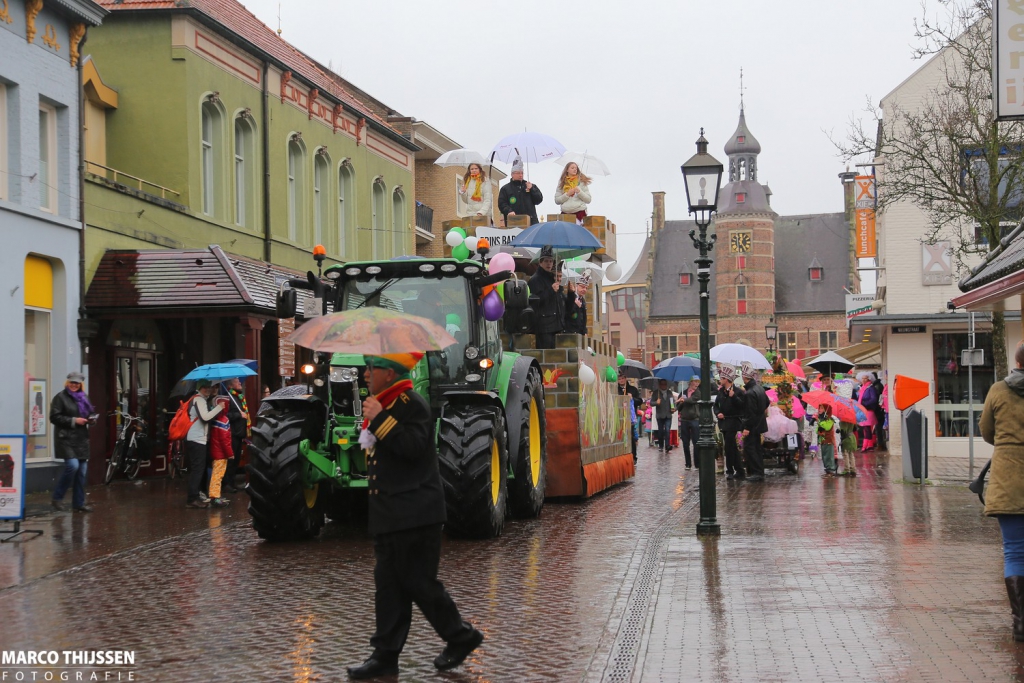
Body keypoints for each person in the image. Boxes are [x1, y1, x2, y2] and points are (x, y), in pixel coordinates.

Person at [347, 353, 483, 679]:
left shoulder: (412, 404)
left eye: (372, 368)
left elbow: (413, 447)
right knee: (389, 588)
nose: (365, 374)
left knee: (419, 583)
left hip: (414, 513)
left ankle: (460, 636)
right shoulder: (384, 404)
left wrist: (380, 419)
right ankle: (385, 656)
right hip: (390, 514)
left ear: (390, 374)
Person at [980, 342, 1024, 642]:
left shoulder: (998, 390)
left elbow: (986, 431)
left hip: (1008, 478)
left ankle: (1020, 623)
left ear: (1017, 362)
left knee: (1014, 551)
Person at [50, 372, 96, 512]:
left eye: (77, 383)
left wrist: (92, 420)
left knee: (81, 471)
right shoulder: (60, 397)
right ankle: (57, 498)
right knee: (73, 466)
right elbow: (54, 417)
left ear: (81, 384)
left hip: (81, 439)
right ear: (67, 383)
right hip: (65, 438)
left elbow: (90, 413)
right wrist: (74, 420)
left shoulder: (84, 397)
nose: (74, 385)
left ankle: (78, 503)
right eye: (72, 382)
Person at [184, 380, 223, 509]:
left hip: (197, 438)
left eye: (209, 387)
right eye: (204, 387)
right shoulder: (199, 400)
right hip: (197, 439)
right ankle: (192, 498)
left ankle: (196, 495)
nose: (207, 389)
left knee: (198, 468)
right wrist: (219, 407)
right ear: (199, 388)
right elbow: (205, 417)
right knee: (198, 469)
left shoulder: (198, 399)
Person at [528, 245, 565, 349]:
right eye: (546, 261)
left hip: (555, 325)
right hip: (544, 327)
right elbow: (535, 301)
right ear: (540, 262)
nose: (549, 263)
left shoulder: (551, 279)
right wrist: (551, 291)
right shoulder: (535, 279)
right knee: (546, 354)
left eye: (551, 261)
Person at [714, 365, 747, 480]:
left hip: (733, 422)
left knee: (729, 447)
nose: (720, 380)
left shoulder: (738, 391)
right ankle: (739, 470)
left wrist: (734, 397)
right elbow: (715, 405)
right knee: (731, 447)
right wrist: (718, 413)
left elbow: (742, 406)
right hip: (723, 423)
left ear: (727, 379)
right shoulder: (721, 392)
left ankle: (730, 470)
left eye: (722, 378)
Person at [740, 362, 769, 482]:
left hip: (752, 426)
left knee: (750, 448)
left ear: (745, 377)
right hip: (759, 423)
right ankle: (759, 471)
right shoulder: (759, 388)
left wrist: (746, 427)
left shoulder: (750, 393)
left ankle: (756, 472)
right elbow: (767, 402)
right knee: (757, 448)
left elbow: (750, 412)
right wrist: (760, 412)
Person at [222, 377, 251, 494]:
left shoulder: (239, 397)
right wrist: (239, 415)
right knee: (231, 460)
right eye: (236, 381)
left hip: (239, 434)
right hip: (232, 434)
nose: (240, 383)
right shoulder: (228, 398)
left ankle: (232, 482)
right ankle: (226, 484)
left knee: (236, 460)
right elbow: (226, 415)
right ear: (230, 385)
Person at [498, 156, 543, 225]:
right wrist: (509, 211)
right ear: (512, 174)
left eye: (522, 173)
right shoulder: (505, 189)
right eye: (518, 173)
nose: (520, 175)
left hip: (531, 222)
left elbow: (539, 200)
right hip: (514, 222)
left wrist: (532, 189)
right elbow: (502, 204)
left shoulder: (530, 186)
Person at [206, 394, 233, 507]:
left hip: (216, 451)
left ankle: (216, 494)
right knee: (218, 475)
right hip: (221, 454)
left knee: (216, 474)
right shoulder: (224, 420)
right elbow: (225, 440)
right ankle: (215, 497)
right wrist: (230, 454)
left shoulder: (215, 419)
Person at [618, 370, 643, 464]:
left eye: (622, 378)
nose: (621, 380)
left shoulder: (633, 389)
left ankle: (633, 456)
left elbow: (640, 401)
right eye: (619, 379)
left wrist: (632, 398)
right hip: (619, 417)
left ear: (625, 379)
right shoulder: (615, 389)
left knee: (631, 437)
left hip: (630, 418)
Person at [676, 377, 701, 469]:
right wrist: (680, 402)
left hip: (695, 419)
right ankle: (688, 463)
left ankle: (697, 463)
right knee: (685, 443)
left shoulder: (698, 392)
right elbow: (678, 407)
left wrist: (683, 400)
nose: (697, 384)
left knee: (696, 442)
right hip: (684, 420)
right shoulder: (683, 393)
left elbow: (692, 400)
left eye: (698, 382)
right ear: (690, 382)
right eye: (695, 382)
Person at [653, 378, 675, 453]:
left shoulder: (669, 392)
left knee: (667, 430)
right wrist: (656, 402)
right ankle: (661, 446)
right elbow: (651, 403)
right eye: (662, 384)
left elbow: (672, 402)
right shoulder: (656, 393)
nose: (663, 385)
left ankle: (667, 446)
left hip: (668, 415)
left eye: (665, 384)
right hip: (660, 415)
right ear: (659, 385)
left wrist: (673, 408)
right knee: (661, 431)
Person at [817, 404, 839, 476]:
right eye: (819, 408)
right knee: (824, 456)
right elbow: (817, 430)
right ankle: (828, 469)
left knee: (829, 456)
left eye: (821, 408)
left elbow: (827, 427)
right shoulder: (821, 419)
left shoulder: (830, 420)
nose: (819, 410)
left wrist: (820, 422)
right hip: (823, 441)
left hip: (829, 441)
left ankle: (831, 469)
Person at [870, 372, 887, 450]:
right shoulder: (878, 385)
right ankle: (880, 443)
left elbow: (876, 399)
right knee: (879, 426)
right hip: (880, 409)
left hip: (878, 410)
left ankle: (881, 444)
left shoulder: (876, 387)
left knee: (879, 427)